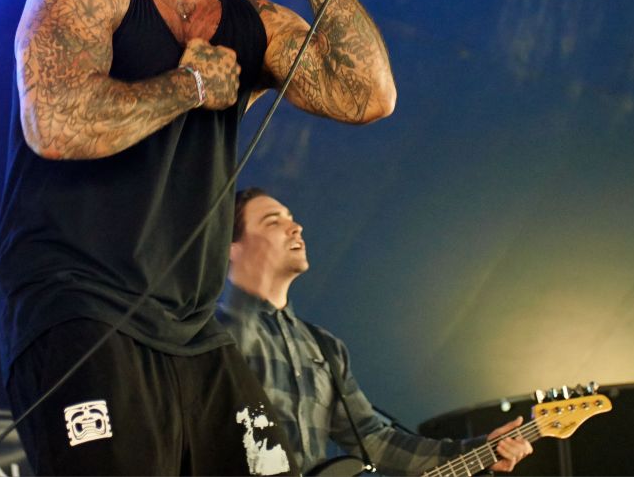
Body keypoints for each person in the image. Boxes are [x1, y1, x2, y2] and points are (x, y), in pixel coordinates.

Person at [0, 0, 396, 476]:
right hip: (78, 305)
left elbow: (367, 97)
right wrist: (185, 87)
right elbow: (56, 124)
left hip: (191, 324)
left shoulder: (253, 23)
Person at [217, 188, 534, 475]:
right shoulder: (207, 331)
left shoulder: (324, 347)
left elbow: (374, 441)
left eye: (292, 218)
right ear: (231, 247)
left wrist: (480, 449)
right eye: (274, 222)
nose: (296, 227)